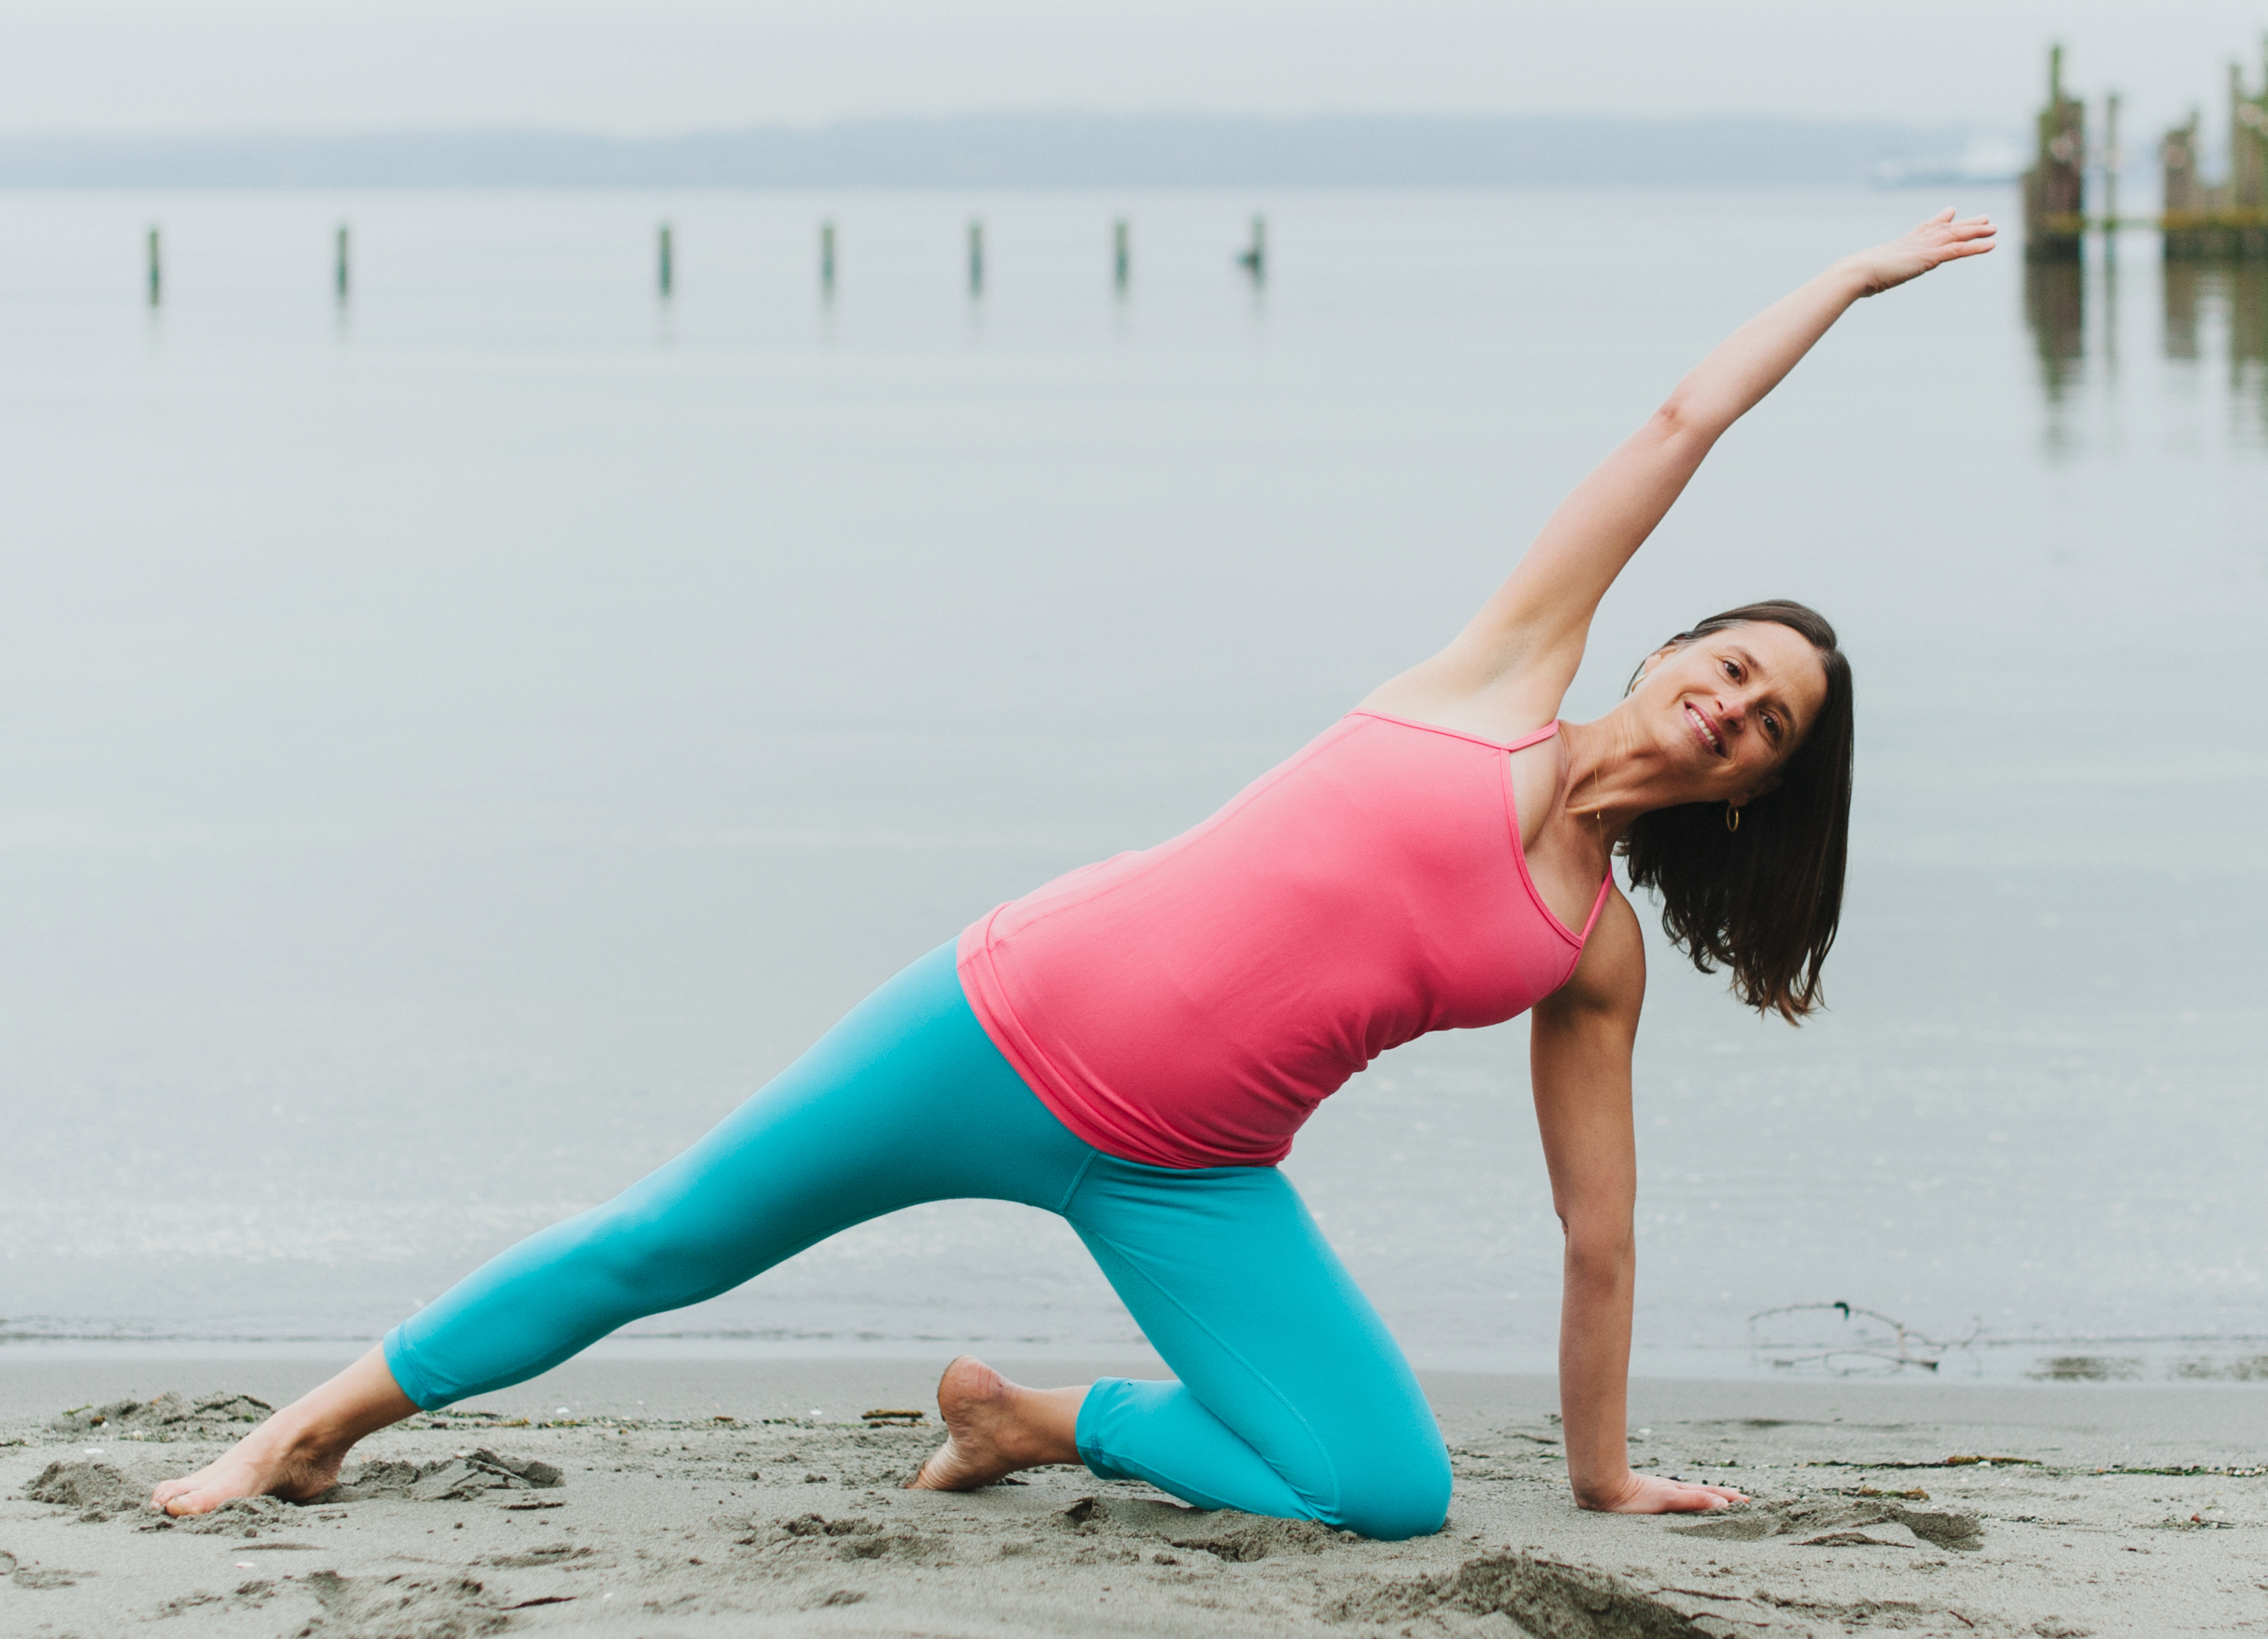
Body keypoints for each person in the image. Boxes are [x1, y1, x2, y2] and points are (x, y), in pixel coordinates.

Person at [154, 208, 1993, 1539]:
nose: (1733, 704)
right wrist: (1842, 281)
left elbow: (1599, 1237)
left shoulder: (1593, 953)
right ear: (1675, 646)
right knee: (668, 1244)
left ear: (1759, 788)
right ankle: (309, 1427)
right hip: (994, 1018)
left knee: (1390, 1492)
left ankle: (1031, 1418)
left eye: (1770, 722)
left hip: (1188, 1173)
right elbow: (1680, 426)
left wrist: (1598, 1476)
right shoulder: (1500, 675)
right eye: (1733, 662)